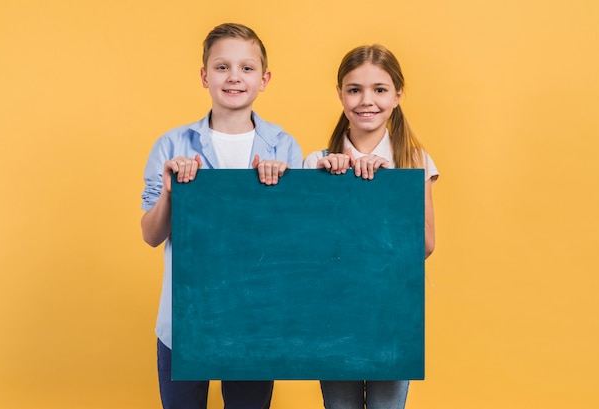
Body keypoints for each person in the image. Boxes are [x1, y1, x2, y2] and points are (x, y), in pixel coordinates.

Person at [141, 23, 303, 409]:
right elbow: (150, 234)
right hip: (183, 319)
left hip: (255, 319)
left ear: (264, 79)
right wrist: (170, 192)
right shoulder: (172, 144)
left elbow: (295, 245)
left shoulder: (283, 146)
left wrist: (282, 196)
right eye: (222, 67)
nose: (234, 77)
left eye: (247, 68)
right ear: (204, 76)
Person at [303, 44, 439, 409]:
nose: (367, 101)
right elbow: (307, 249)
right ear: (340, 95)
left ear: (397, 95)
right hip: (333, 311)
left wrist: (386, 190)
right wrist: (330, 185)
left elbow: (425, 243)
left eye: (379, 90)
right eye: (354, 89)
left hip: (392, 311)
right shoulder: (316, 162)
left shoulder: (414, 161)